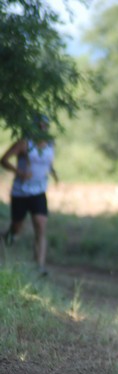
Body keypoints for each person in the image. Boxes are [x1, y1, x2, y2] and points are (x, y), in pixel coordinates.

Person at [0, 114, 58, 275]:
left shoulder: (51, 144)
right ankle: (8, 238)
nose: (42, 128)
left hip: (39, 191)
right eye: (39, 125)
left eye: (45, 125)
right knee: (17, 227)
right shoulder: (24, 144)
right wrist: (18, 172)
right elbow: (3, 159)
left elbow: (48, 162)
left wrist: (53, 172)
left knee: (40, 224)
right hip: (21, 192)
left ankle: (39, 266)